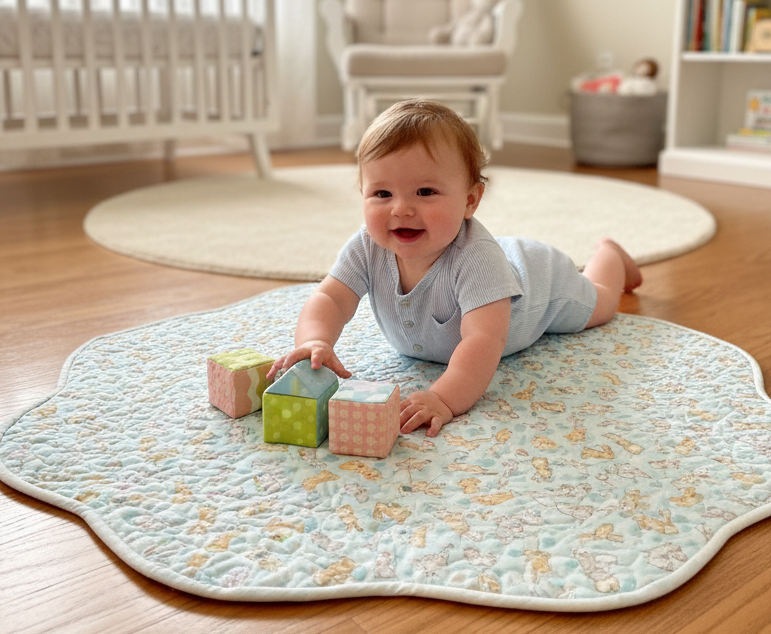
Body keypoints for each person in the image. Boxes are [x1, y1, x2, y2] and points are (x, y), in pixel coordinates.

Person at [267, 99, 642, 438]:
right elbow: (331, 298)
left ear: (470, 200)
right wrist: (315, 341)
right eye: (382, 193)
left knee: (603, 304)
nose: (400, 209)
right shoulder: (367, 245)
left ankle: (608, 253)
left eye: (425, 192)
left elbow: (483, 341)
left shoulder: (477, 260)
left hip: (539, 283)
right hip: (504, 260)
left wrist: (442, 398)